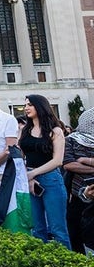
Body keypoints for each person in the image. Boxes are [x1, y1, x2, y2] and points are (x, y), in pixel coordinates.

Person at [19, 94, 70, 248]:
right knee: (37, 228)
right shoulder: (25, 130)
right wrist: (28, 177)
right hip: (30, 180)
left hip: (51, 179)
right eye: (25, 105)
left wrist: (32, 174)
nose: (26, 108)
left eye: (30, 105)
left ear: (40, 106)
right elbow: (20, 156)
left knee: (57, 228)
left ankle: (67, 266)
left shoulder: (55, 131)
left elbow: (57, 161)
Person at [63, 107, 94, 253]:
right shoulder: (71, 140)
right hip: (78, 191)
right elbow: (69, 164)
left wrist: (84, 160)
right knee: (74, 229)